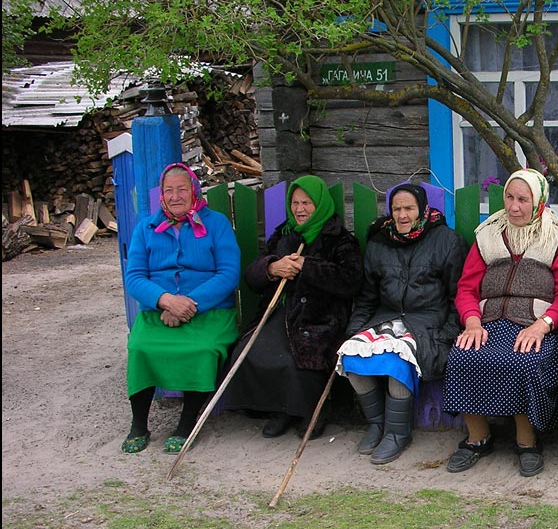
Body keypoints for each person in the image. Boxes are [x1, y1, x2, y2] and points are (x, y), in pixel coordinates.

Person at [442, 168, 558, 477]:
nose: (514, 206)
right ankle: (478, 438)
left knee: (525, 360)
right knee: (464, 355)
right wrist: (473, 323)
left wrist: (542, 325)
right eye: (509, 197)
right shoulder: (488, 233)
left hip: (536, 324)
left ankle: (527, 442)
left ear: (539, 201)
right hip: (488, 322)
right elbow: (466, 288)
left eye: (523, 199)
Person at [337, 183, 468, 465]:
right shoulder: (379, 242)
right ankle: (377, 423)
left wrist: (447, 335)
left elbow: (458, 295)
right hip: (387, 317)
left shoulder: (447, 241)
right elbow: (367, 297)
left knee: (397, 358)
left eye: (408, 208)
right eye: (396, 209)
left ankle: (398, 433)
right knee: (350, 356)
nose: (402, 215)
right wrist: (354, 331)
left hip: (428, 322)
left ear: (421, 209)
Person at [224, 175, 363, 441]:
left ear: (320, 204)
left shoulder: (339, 239)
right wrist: (271, 268)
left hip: (321, 315)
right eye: (296, 203)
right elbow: (253, 276)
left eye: (307, 203)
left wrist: (306, 266)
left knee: (301, 355)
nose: (300, 209)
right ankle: (281, 409)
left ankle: (313, 411)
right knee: (252, 350)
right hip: (282, 312)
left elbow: (351, 280)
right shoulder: (284, 234)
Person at [121, 162, 241, 454]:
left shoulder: (216, 224)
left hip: (209, 311)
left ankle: (186, 423)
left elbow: (228, 273)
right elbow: (134, 277)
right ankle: (139, 424)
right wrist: (165, 301)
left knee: (201, 349)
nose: (175, 196)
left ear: (194, 191)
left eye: (182, 190)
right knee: (140, 348)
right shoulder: (146, 229)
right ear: (161, 194)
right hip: (158, 311)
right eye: (169, 190)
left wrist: (189, 304)